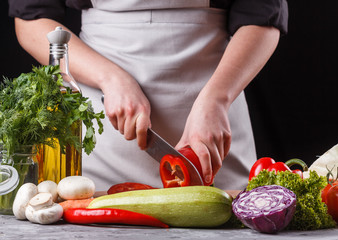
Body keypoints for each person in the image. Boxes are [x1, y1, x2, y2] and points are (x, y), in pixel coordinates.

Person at [8, 0, 288, 191]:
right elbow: (32, 20)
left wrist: (216, 98)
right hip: (104, 144)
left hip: (215, 132)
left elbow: (262, 16)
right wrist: (110, 78)